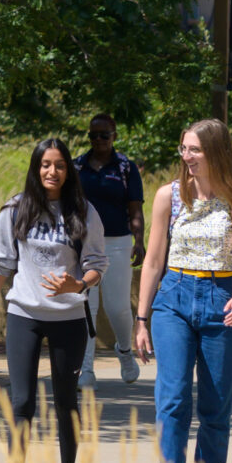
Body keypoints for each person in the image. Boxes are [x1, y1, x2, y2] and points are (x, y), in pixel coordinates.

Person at [0, 139, 108, 463]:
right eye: (45, 165)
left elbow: (97, 265)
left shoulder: (84, 211)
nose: (52, 172)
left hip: (69, 319)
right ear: (36, 168)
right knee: (22, 402)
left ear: (68, 170)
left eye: (59, 165)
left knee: (66, 403)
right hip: (24, 315)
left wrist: (77, 285)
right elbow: (0, 266)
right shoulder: (16, 209)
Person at [134, 119, 232, 463]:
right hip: (174, 299)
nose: (186, 157)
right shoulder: (168, 197)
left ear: (216, 152)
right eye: (183, 149)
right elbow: (153, 260)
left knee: (215, 406)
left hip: (222, 299)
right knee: (171, 399)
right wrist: (141, 316)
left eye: (194, 150)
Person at [72, 113, 143, 392]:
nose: (98, 140)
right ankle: (86, 369)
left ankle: (124, 351)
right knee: (86, 306)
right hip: (84, 245)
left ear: (115, 135)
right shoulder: (78, 166)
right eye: (93, 135)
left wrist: (139, 239)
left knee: (117, 308)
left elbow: (135, 208)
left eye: (104, 135)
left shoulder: (125, 167)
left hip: (117, 242)